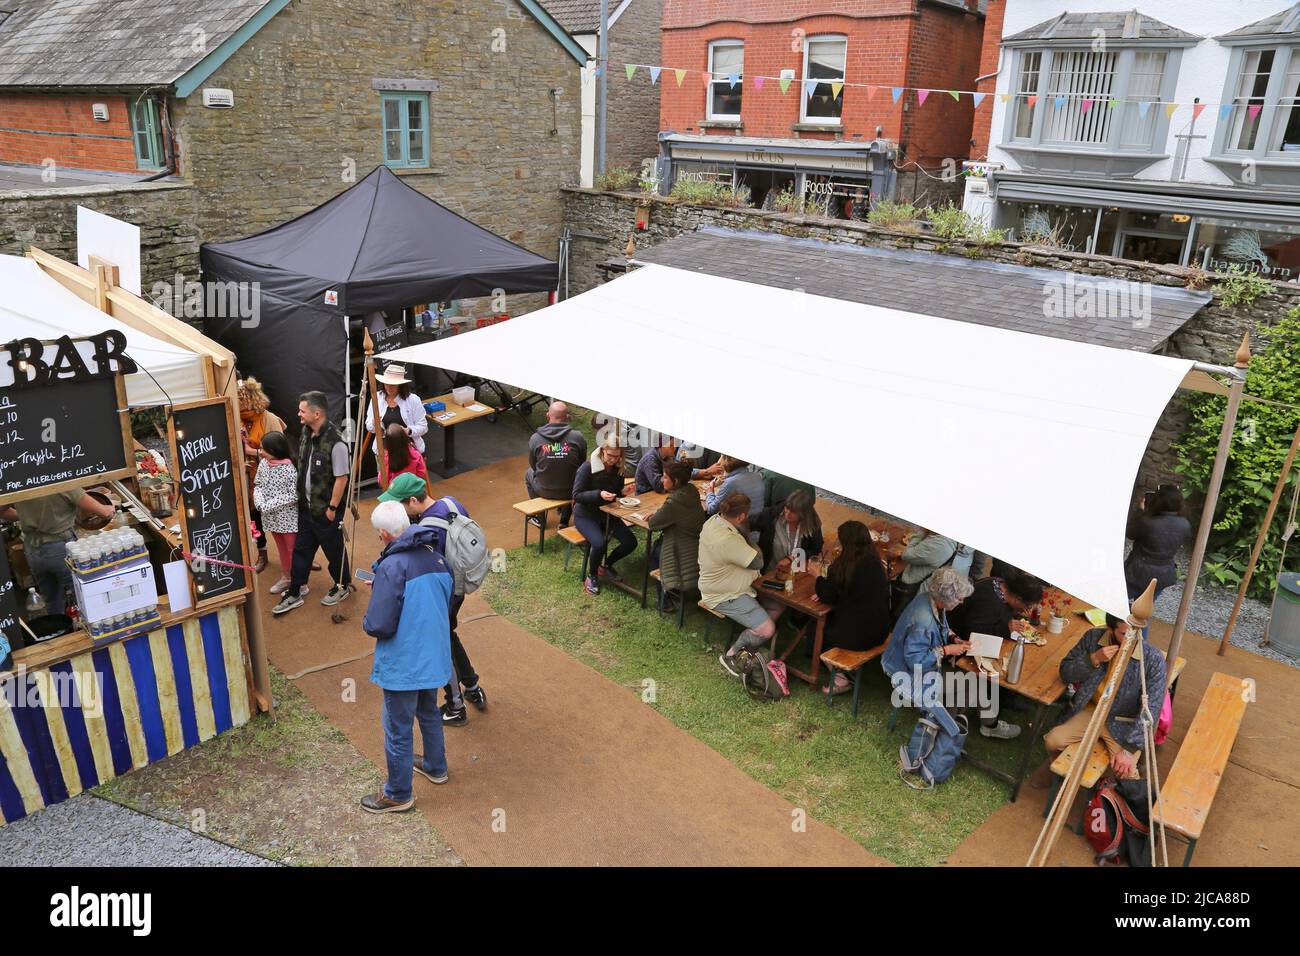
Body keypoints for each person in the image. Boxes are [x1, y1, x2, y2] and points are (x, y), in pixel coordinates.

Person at [359, 500, 454, 813]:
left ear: (385, 534)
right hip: (433, 655)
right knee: (428, 711)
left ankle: (398, 793)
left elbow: (379, 624)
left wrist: (380, 593)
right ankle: (435, 766)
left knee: (397, 728)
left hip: (404, 662)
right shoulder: (436, 556)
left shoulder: (391, 567)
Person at [378, 472, 489, 726]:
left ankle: (455, 706)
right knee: (449, 635)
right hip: (461, 585)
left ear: (414, 502)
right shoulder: (451, 503)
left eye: (400, 504)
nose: (398, 510)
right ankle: (472, 687)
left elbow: (423, 568)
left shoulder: (427, 529)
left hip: (444, 593)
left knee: (440, 645)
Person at [1042, 613, 1166, 781]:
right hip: (1091, 710)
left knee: (1126, 772)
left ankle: (1116, 801)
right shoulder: (1093, 638)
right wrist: (1093, 659)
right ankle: (1057, 775)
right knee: (1052, 741)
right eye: (1124, 633)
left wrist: (1129, 749)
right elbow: (1066, 672)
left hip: (1123, 722)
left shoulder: (1152, 659)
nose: (1131, 638)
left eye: (1135, 633)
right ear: (1110, 630)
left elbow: (1152, 707)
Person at [881, 567, 976, 772]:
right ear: (946, 597)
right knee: (959, 692)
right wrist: (946, 649)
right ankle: (939, 741)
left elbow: (942, 625)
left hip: (921, 664)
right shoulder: (923, 620)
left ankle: (943, 737)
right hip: (904, 671)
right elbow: (915, 662)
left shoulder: (930, 599)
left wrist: (953, 638)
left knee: (965, 688)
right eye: (959, 598)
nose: (961, 602)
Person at [273, 391, 353, 615]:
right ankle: (296, 590)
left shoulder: (337, 442)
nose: (298, 414)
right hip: (306, 509)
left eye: (302, 410)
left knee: (334, 551)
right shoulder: (306, 432)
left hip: (326, 512)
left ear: (316, 413)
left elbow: (342, 478)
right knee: (301, 550)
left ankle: (342, 585)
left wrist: (332, 509)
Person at [946, 571, 1045, 739]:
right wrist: (1006, 628)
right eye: (1026, 606)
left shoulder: (999, 583)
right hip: (958, 646)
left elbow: (1000, 615)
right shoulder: (988, 600)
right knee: (999, 668)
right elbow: (974, 635)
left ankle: (1004, 701)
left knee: (1007, 660)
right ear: (1017, 598)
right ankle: (989, 723)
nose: (1026, 611)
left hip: (972, 642)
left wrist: (1016, 616)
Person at [1, 489, 115, 615]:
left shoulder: (20, 482)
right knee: (82, 598)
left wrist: (26, 515)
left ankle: (60, 630)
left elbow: (2, 510)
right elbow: (104, 512)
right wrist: (111, 508)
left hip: (32, 549)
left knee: (52, 601)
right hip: (59, 546)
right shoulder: (61, 480)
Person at [700, 494, 775, 676]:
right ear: (741, 517)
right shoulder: (729, 540)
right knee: (767, 629)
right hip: (725, 594)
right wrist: (748, 537)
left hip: (718, 585)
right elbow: (758, 561)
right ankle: (731, 656)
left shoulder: (713, 521)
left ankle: (756, 627)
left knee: (776, 605)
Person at [812, 520, 891, 693]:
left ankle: (840, 681)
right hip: (880, 629)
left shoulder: (843, 567)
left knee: (817, 632)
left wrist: (817, 576)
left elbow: (829, 596)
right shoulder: (875, 562)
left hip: (859, 637)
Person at [572, 441, 637, 596]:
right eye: (610, 455)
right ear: (602, 451)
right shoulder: (587, 468)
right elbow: (577, 495)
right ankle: (592, 575)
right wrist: (598, 494)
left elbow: (615, 493)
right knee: (599, 543)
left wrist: (622, 492)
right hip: (586, 515)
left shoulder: (619, 470)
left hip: (608, 514)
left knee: (630, 542)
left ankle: (606, 565)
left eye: (617, 456)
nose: (613, 460)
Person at [238, 376, 286, 574]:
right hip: (248, 478)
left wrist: (251, 451)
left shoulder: (269, 419)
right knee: (254, 517)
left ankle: (296, 555)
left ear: (248, 399)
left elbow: (281, 455)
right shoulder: (237, 419)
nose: (236, 403)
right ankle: (262, 553)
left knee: (280, 518)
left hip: (271, 478)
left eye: (238, 400)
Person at [646, 459, 706, 611]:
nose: (661, 479)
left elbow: (653, 524)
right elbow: (675, 514)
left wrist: (656, 515)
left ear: (676, 481)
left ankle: (664, 599)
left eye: (665, 477)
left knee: (655, 552)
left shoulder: (674, 502)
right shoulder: (691, 490)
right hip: (697, 543)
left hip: (682, 549)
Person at [251, 430, 301, 596]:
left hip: (288, 519)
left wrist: (267, 505)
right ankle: (286, 578)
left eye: (263, 449)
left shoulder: (289, 468)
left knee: (292, 550)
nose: (261, 451)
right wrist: (258, 501)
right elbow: (257, 483)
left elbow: (293, 495)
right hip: (271, 518)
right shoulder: (264, 464)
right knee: (281, 549)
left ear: (273, 450)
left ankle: (300, 583)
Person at [1125, 484, 1192, 602]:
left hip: (1138, 570)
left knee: (1117, 603)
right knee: (1142, 610)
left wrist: (1140, 511)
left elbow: (1130, 533)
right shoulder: (1185, 524)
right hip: (1164, 573)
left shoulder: (1147, 521)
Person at [525, 401, 587, 527]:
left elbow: (533, 465)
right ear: (568, 418)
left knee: (528, 473)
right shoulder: (578, 437)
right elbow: (582, 464)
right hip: (571, 491)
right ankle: (564, 520)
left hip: (544, 490)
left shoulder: (535, 438)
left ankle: (539, 517)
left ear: (548, 415)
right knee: (574, 474)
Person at [364, 362, 428, 464]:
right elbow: (369, 427)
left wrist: (408, 431)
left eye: (393, 385)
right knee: (387, 479)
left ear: (401, 385)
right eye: (386, 384)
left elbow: (423, 427)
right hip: (384, 451)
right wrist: (374, 424)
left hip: (410, 450)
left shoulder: (413, 400)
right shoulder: (376, 398)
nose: (389, 387)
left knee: (411, 479)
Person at [891, 528, 957, 618]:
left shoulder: (940, 543)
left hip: (910, 590)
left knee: (896, 614)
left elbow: (907, 555)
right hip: (919, 590)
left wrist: (922, 532)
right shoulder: (951, 542)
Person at [755, 488, 823, 573]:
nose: (787, 513)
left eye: (794, 511)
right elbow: (748, 524)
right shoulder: (771, 517)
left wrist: (792, 557)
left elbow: (816, 549)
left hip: (796, 571)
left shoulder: (812, 524)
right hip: (769, 571)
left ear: (803, 514)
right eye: (787, 508)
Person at [379, 423, 427, 489]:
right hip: (412, 489)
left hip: (395, 491)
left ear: (387, 442)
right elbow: (421, 472)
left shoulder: (386, 458)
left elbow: (382, 480)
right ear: (404, 437)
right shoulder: (415, 454)